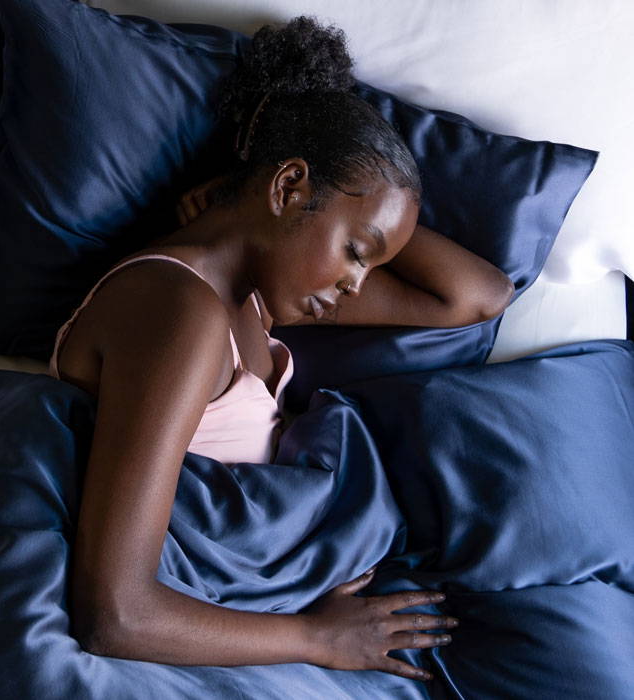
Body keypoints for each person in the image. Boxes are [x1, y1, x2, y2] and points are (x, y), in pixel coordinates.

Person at [49, 16, 514, 682]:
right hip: (201, 619)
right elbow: (114, 612)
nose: (356, 283)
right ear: (288, 186)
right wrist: (317, 640)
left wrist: (376, 213)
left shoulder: (254, 301)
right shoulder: (178, 313)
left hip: (272, 588)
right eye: (356, 254)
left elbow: (476, 297)